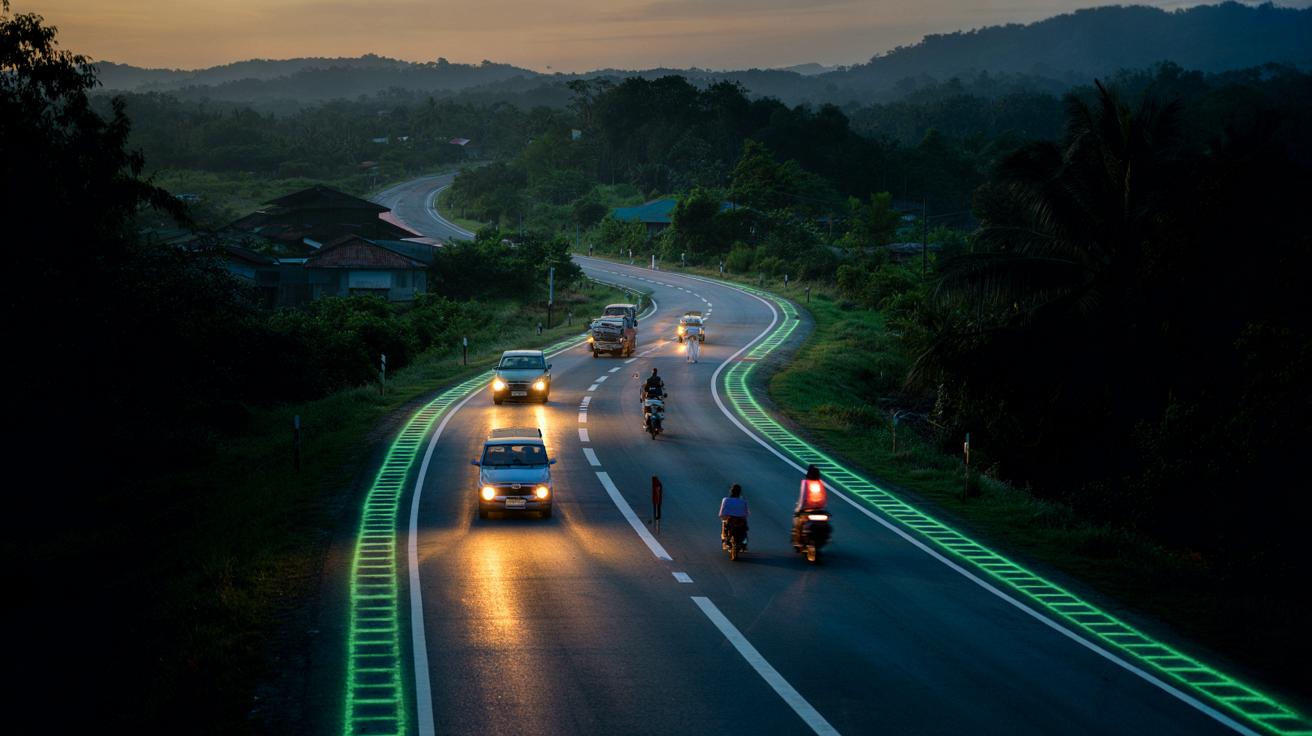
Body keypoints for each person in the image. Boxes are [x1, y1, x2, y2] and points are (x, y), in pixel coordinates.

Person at [793, 465, 828, 545]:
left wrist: (799, 509)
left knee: (797, 521)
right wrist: (822, 507)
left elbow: (803, 496)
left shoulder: (805, 482)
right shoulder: (820, 483)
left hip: (807, 507)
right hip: (820, 508)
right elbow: (824, 496)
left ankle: (798, 540)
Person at [718, 483, 750, 548]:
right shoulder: (743, 501)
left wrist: (723, 516)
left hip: (730, 520)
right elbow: (746, 513)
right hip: (740, 521)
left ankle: (724, 538)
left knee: (724, 523)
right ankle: (744, 542)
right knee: (744, 527)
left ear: (731, 491)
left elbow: (722, 512)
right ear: (739, 492)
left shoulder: (726, 499)